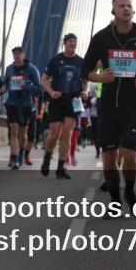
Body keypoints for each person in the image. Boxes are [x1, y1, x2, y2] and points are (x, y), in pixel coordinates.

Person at [82, 0, 136, 213]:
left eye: (129, 5)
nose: (126, 9)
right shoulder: (101, 38)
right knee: (109, 157)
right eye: (121, 6)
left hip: (133, 105)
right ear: (114, 10)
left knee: (130, 153)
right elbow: (85, 70)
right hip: (108, 105)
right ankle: (115, 201)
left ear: (133, 10)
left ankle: (130, 191)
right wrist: (100, 78)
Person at [41, 34, 86, 179]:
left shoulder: (81, 61)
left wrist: (84, 91)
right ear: (64, 44)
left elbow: (85, 80)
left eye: (75, 41)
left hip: (73, 100)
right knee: (55, 135)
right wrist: (51, 91)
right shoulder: (56, 60)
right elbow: (44, 79)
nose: (73, 43)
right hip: (58, 99)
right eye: (70, 41)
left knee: (67, 133)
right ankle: (47, 157)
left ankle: (60, 168)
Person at [2, 46, 42, 169]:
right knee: (13, 129)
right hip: (12, 102)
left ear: (24, 55)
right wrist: (1, 90)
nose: (17, 56)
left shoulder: (32, 69)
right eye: (14, 54)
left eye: (19, 53)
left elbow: (38, 89)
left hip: (25, 103)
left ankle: (21, 155)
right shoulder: (9, 69)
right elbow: (6, 84)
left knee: (23, 132)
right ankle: (13, 157)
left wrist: (25, 85)